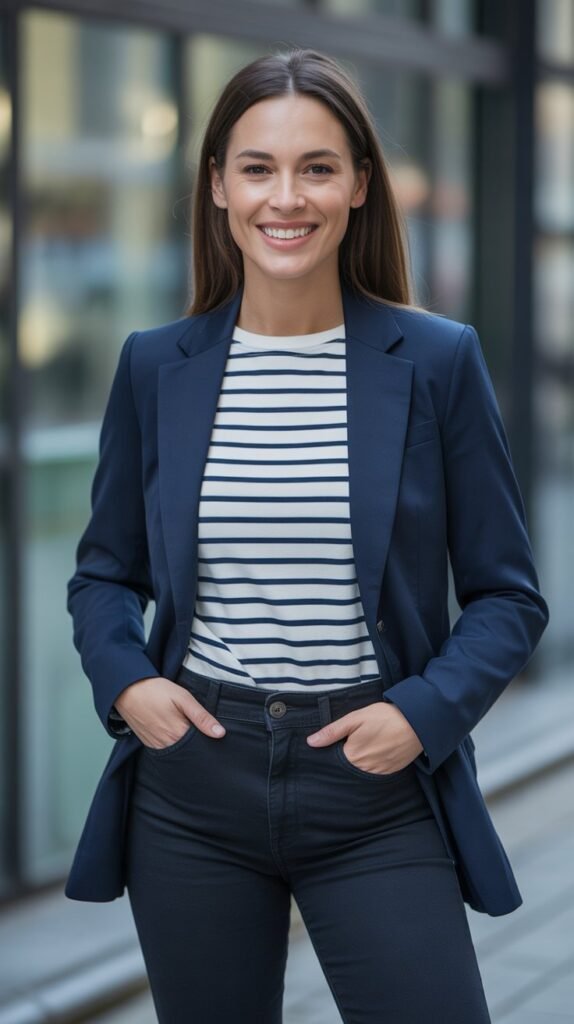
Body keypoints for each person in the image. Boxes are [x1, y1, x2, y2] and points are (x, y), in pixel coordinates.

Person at [65, 47, 549, 1024]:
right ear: (217, 186)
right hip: (194, 782)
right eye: (257, 167)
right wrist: (128, 681)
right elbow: (103, 573)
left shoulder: (437, 361)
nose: (286, 197)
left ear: (360, 185)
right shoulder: (156, 365)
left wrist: (423, 712)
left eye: (317, 166)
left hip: (372, 781)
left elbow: (507, 595)